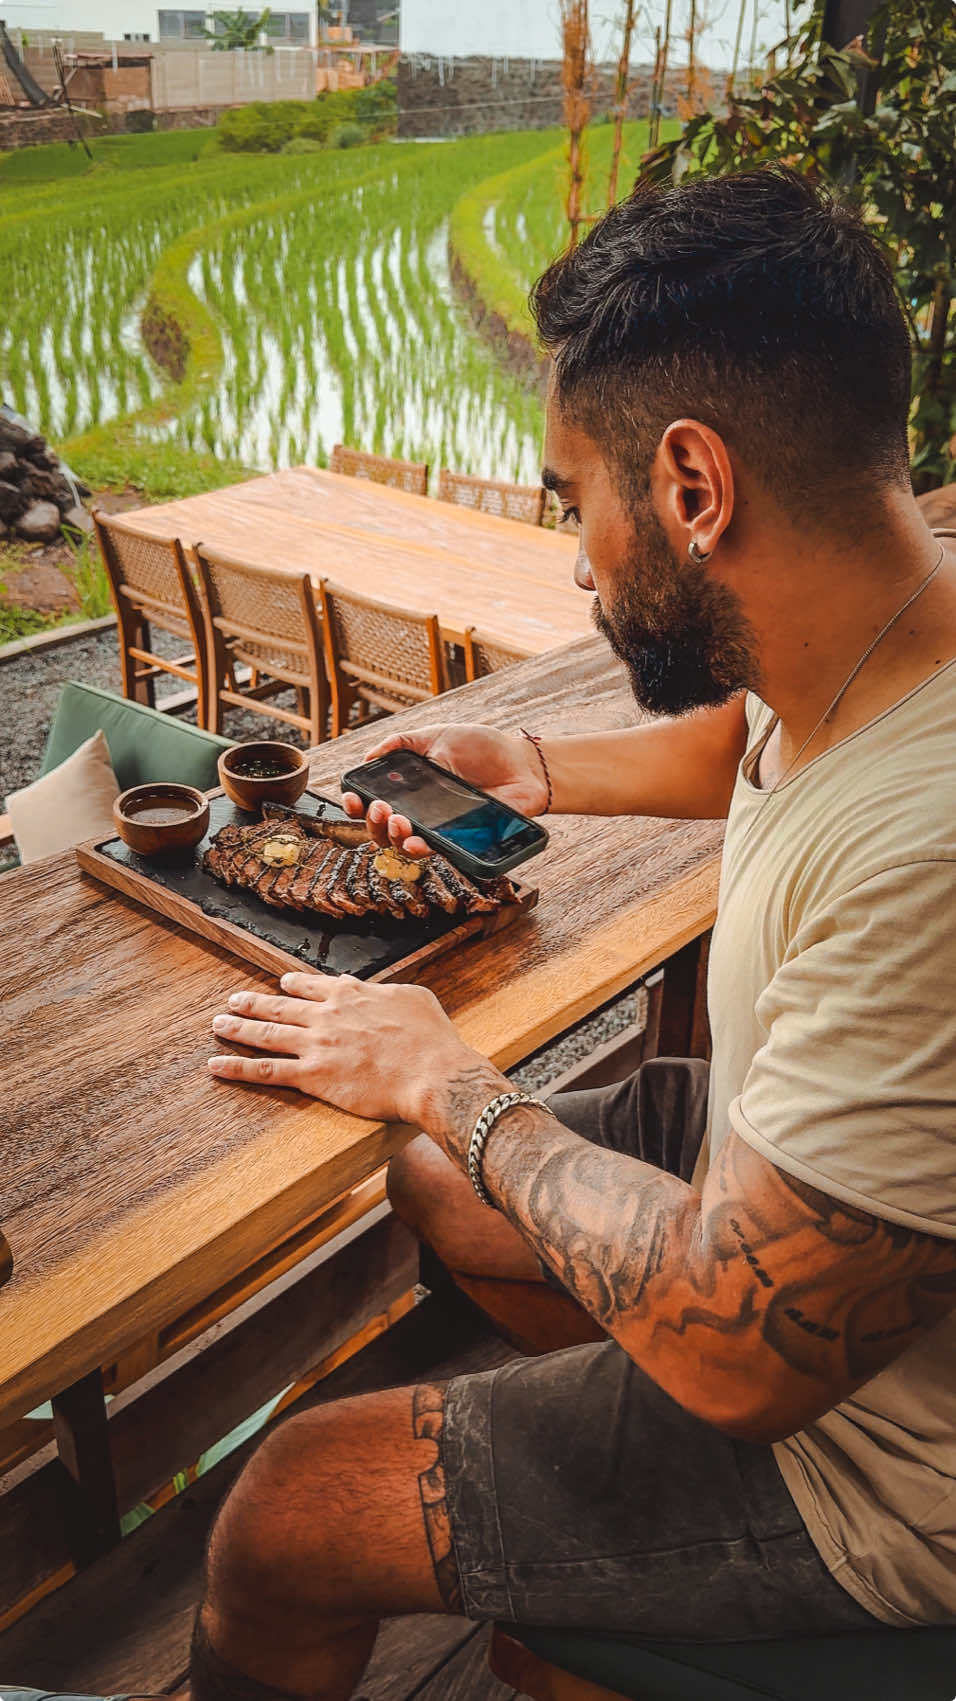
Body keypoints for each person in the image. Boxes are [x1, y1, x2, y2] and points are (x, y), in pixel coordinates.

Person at [183, 167, 956, 1699]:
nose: (574, 557)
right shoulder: (892, 605)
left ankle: (610, 1551)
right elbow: (762, 728)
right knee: (433, 1184)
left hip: (872, 1463)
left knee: (281, 1509)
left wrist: (459, 1084)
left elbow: (743, 1344)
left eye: (569, 497)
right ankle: (572, 1452)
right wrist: (531, 769)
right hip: (784, 1167)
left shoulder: (928, 858)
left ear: (690, 486)